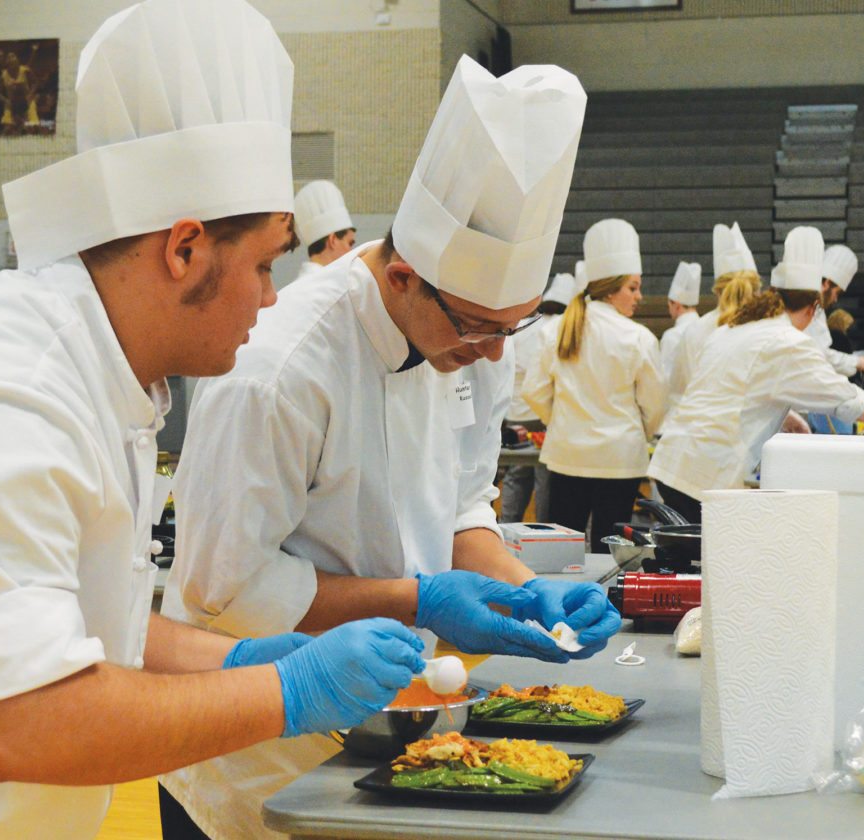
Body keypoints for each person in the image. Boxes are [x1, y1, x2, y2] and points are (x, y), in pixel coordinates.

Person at [0, 3, 428, 838]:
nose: (270, 298)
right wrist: (286, 692)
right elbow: (15, 721)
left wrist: (235, 658)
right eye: (264, 266)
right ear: (184, 248)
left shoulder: (105, 378)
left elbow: (91, 625)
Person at [161, 56, 621, 839]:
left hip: (398, 719)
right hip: (253, 736)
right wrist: (418, 599)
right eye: (475, 328)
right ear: (403, 277)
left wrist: (524, 595)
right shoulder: (279, 369)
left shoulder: (475, 340)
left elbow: (462, 505)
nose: (491, 353)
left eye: (510, 328)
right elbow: (224, 589)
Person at [649, 227, 864, 523]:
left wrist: (787, 416)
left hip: (674, 461)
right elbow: (843, 397)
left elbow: (736, 390)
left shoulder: (737, 328)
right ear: (812, 309)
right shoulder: (787, 340)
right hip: (705, 474)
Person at [522, 218, 666, 551]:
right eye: (633, 288)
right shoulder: (638, 337)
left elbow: (532, 391)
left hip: (567, 455)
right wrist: (638, 432)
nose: (639, 296)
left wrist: (562, 422)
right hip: (620, 459)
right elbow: (655, 404)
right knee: (610, 552)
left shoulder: (555, 330)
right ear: (611, 289)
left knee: (561, 553)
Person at [500, 271, 576, 522]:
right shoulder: (562, 330)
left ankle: (507, 524)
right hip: (545, 414)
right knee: (545, 478)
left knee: (516, 473)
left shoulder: (524, 326)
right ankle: (544, 528)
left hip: (515, 412)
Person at [669, 222, 760, 405]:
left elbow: (680, 393)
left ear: (717, 291)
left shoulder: (694, 332)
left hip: (704, 420)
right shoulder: (767, 329)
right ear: (756, 290)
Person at [804, 243, 864, 377]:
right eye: (837, 292)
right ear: (827, 283)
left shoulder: (817, 308)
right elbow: (819, 356)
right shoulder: (805, 304)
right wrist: (855, 362)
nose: (835, 299)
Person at [292, 180, 356, 279]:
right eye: (350, 244)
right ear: (333, 240)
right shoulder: (325, 285)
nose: (353, 253)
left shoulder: (306, 281)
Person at [658, 261, 701, 383]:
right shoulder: (708, 329)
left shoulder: (671, 336)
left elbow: (665, 381)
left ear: (676, 305)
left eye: (669, 305)